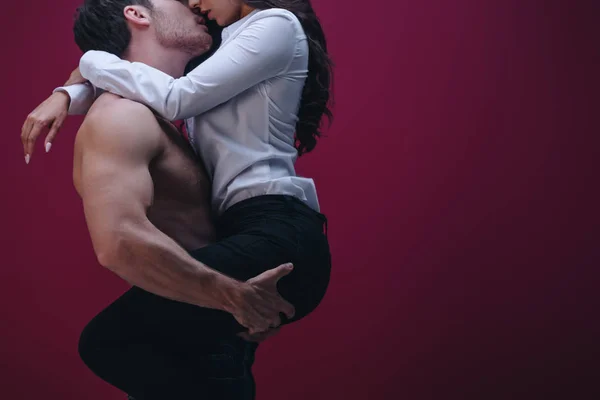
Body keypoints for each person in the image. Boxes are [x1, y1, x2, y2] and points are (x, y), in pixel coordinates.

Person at [21, 0, 333, 398]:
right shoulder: (123, 117)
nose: (193, 3)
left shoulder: (260, 33)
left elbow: (171, 94)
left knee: (113, 342)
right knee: (107, 342)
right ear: (137, 13)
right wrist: (230, 295)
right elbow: (119, 244)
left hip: (275, 233)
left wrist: (75, 83)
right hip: (218, 307)